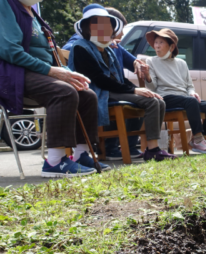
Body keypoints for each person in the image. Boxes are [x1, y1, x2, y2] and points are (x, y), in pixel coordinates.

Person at [0, 0, 105, 177]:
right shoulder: (6, 4)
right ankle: (55, 162)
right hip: (15, 73)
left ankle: (80, 155)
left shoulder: (34, 14)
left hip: (41, 72)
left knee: (87, 94)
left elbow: (50, 55)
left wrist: (68, 73)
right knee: (63, 91)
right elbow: (10, 50)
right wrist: (52, 71)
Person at [68, 4, 175, 162]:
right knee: (151, 102)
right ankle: (152, 150)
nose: (104, 30)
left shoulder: (109, 50)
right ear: (87, 28)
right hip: (97, 92)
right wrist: (134, 91)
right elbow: (99, 79)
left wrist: (135, 88)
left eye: (108, 26)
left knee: (157, 100)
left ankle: (153, 148)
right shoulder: (80, 48)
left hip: (112, 89)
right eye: (97, 25)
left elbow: (118, 78)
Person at [145, 29, 206, 154]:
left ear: (172, 46)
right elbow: (152, 88)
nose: (156, 46)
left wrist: (192, 92)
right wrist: (147, 76)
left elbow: (189, 86)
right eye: (155, 42)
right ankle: (198, 139)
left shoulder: (181, 63)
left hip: (185, 99)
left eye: (161, 42)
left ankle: (201, 140)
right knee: (190, 102)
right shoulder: (151, 61)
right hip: (165, 98)